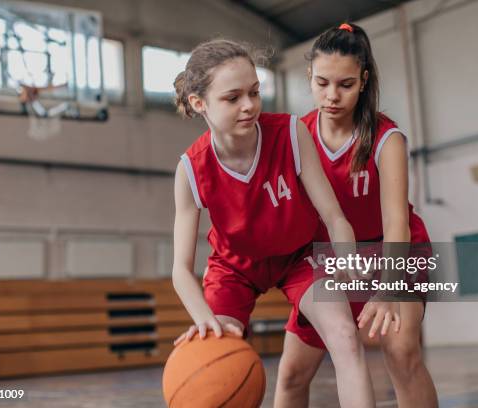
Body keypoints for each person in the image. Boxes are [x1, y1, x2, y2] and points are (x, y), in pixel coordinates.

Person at [171, 39, 395, 407]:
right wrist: (204, 319)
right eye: (232, 98)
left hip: (298, 257)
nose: (248, 106)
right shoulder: (190, 170)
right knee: (211, 364)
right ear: (200, 103)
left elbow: (335, 217)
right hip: (235, 268)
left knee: (344, 335)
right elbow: (180, 269)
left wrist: (346, 258)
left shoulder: (291, 133)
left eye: (254, 93)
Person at [274, 23, 438, 408]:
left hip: (393, 250)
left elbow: (396, 222)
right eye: (322, 83)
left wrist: (385, 288)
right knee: (292, 373)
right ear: (309, 77)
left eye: (345, 84)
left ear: (364, 80)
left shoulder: (386, 138)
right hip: (332, 258)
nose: (332, 95)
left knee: (402, 354)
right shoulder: (297, 138)